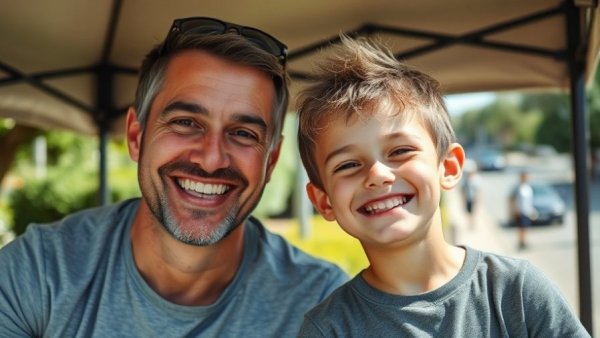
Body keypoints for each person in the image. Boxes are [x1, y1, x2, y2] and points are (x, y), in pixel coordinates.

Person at [0, 17, 348, 337]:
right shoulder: (36, 274)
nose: (211, 160)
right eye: (185, 122)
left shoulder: (324, 307)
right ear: (136, 137)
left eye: (243, 133)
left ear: (270, 161)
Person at [295, 35, 589, 337]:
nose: (378, 174)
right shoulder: (328, 329)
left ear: (448, 167)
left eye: (400, 151)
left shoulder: (516, 291)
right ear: (324, 202)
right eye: (347, 165)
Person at [513, 170, 535, 250]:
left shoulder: (528, 187)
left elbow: (530, 200)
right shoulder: (519, 188)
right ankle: (520, 241)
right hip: (521, 211)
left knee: (526, 227)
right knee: (521, 227)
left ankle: (524, 241)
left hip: (527, 211)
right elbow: (514, 200)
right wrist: (516, 210)